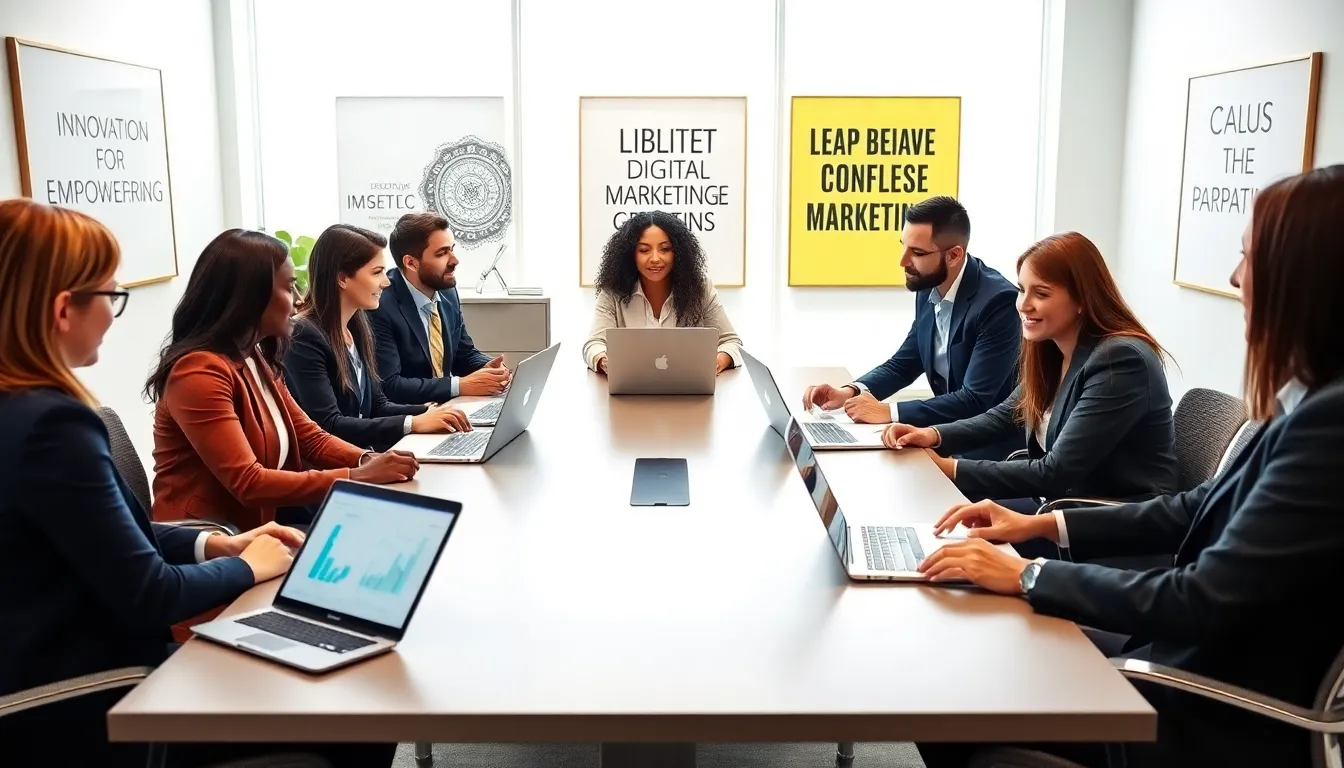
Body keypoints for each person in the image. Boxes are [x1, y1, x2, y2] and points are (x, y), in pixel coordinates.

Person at [913, 164, 1344, 768]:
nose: (1235, 276)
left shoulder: (1329, 426)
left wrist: (1027, 575)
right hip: (1172, 653)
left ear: (1307, 278)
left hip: (1193, 705)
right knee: (958, 672)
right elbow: (1196, 506)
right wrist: (1038, 529)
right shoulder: (1306, 400)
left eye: (1251, 257)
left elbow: (1201, 598)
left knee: (954, 701)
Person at [0, 199, 393, 768]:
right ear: (64, 310)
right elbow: (149, 593)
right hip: (84, 699)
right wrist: (248, 565)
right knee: (353, 714)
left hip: (78, 663)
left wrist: (216, 544)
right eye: (111, 297)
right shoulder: (52, 426)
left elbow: (114, 539)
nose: (115, 314)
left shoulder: (26, 413)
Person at [880, 232, 1178, 518]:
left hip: (1104, 525)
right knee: (928, 505)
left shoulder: (1121, 361)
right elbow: (1005, 416)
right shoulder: (1052, 348)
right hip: (1059, 504)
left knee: (948, 523)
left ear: (1082, 300)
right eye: (1022, 289)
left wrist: (949, 469)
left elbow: (1056, 471)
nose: (1023, 304)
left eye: (1042, 293)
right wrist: (932, 435)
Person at [147, 229, 419, 532]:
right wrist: (358, 476)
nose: (299, 299)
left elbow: (311, 438)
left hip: (258, 529)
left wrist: (368, 459)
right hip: (208, 540)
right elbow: (248, 482)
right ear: (251, 295)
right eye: (290, 288)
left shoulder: (254, 356)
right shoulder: (198, 372)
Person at [802, 196, 1020, 460]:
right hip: (947, 438)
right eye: (903, 246)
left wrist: (890, 412)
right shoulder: (929, 285)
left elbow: (975, 398)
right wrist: (849, 392)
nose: (903, 261)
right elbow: (904, 364)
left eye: (917, 253)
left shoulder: (999, 302)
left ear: (954, 255)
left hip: (991, 454)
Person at [285, 224, 472, 452]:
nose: (386, 281)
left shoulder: (358, 325)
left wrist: (432, 413)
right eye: (377, 272)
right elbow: (329, 424)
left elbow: (378, 405)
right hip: (340, 468)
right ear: (342, 278)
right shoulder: (304, 335)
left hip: (367, 456)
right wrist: (413, 423)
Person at [370, 212, 511, 403]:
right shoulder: (381, 305)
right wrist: (459, 385)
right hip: (410, 419)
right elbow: (390, 386)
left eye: (452, 249)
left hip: (447, 409)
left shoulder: (447, 291)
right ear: (411, 263)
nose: (454, 260)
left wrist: (492, 370)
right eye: (442, 253)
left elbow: (464, 354)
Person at [583, 210, 743, 374]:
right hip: (631, 392)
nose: (655, 258)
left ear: (678, 253)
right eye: (644, 250)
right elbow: (594, 344)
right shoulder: (613, 291)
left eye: (665, 249)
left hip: (688, 391)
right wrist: (604, 361)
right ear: (631, 254)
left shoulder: (700, 288)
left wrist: (715, 362)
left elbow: (730, 342)